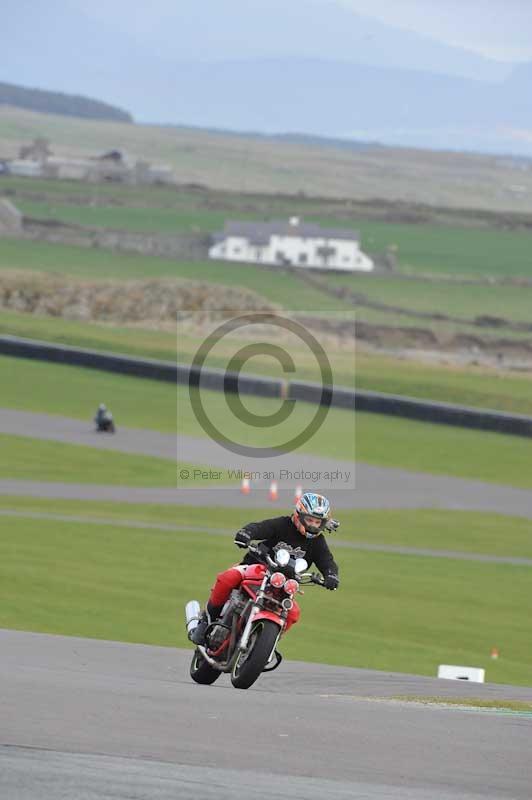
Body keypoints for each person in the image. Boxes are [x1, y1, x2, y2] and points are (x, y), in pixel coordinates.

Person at [190, 491, 340, 646]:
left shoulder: (318, 542)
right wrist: (246, 534)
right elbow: (260, 527)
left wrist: (331, 575)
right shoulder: (283, 524)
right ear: (298, 514)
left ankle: (267, 641)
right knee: (227, 578)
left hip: (285, 583)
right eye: (309, 520)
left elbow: (326, 561)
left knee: (293, 613)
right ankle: (205, 621)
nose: (313, 526)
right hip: (257, 567)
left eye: (317, 523)